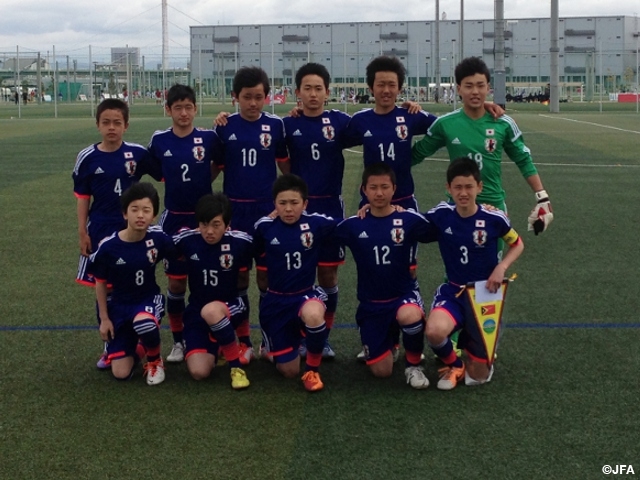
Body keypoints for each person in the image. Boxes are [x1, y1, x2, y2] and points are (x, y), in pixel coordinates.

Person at [412, 56, 553, 235]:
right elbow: (416, 154)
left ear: (488, 87)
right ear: (459, 89)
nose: (475, 91)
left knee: (494, 263)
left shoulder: (503, 123)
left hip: (494, 208)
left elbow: (523, 160)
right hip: (457, 207)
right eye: (469, 86)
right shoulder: (445, 124)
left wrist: (542, 197)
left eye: (480, 85)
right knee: (457, 262)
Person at [423, 158, 524, 390]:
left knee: (477, 378)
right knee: (434, 332)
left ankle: (478, 352)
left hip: (485, 295)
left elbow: (517, 244)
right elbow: (409, 223)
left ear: (479, 187)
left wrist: (502, 267)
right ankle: (455, 364)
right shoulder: (441, 214)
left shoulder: (494, 218)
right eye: (457, 187)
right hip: (454, 291)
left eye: (469, 186)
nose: (463, 193)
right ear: (448, 188)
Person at [212, 66, 290, 362]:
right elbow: (216, 167)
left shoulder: (276, 126)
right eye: (247, 97)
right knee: (238, 279)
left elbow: (285, 166)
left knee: (267, 279)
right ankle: (242, 339)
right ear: (235, 97)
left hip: (267, 213)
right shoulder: (224, 126)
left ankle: (269, 339)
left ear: (267, 97)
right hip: (235, 212)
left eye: (259, 97)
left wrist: (294, 199)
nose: (253, 103)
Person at [72, 98, 154, 369]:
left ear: (126, 126)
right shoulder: (87, 157)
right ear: (97, 125)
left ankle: (137, 339)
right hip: (100, 229)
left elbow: (163, 174)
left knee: (130, 286)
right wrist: (82, 232)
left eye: (117, 123)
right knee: (104, 288)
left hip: (131, 229)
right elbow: (83, 197)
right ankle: (109, 346)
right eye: (105, 122)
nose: (111, 128)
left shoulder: (138, 154)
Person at [334, 163, 431, 389]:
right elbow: (319, 231)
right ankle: (391, 343)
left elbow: (444, 225)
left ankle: (413, 365)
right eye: (374, 187)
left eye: (385, 187)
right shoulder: (353, 225)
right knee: (382, 372)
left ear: (394, 189)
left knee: (410, 315)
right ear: (364, 190)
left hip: (402, 296)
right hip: (371, 304)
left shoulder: (409, 220)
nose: (379, 193)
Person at [282, 62, 353, 359]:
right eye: (307, 89)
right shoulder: (286, 124)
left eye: (318, 89)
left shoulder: (341, 121)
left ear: (328, 92)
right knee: (298, 273)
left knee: (328, 275)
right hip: (298, 210)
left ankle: (322, 337)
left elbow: (380, 121)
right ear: (297, 92)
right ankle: (295, 333)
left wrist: (409, 105)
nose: (313, 94)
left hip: (330, 206)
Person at [147, 84, 222, 364]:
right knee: (177, 282)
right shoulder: (159, 140)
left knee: (209, 279)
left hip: (204, 219)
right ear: (168, 110)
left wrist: (205, 180)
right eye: (177, 107)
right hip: (174, 218)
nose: (183, 112)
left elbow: (220, 163)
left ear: (195, 109)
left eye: (188, 107)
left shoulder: (209, 138)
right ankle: (178, 342)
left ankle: (215, 336)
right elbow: (156, 171)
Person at [253, 174, 335, 392]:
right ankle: (275, 347)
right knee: (289, 372)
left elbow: (349, 228)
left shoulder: (316, 223)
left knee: (315, 314)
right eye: (282, 203)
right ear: (275, 204)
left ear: (305, 204)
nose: (288, 209)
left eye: (294, 203)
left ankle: (313, 370)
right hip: (276, 302)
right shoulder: (264, 227)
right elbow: (247, 250)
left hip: (304, 295)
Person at [90, 182, 177, 386]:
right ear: (124, 214)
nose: (140, 215)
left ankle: (155, 361)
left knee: (144, 323)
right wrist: (104, 319)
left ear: (153, 215)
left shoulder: (158, 239)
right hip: (119, 306)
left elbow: (179, 256)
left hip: (146, 300)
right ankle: (137, 347)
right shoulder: (109, 247)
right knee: (120, 373)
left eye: (146, 210)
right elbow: (100, 284)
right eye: (134, 209)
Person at [168, 193, 252, 388]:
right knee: (199, 372)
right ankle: (218, 342)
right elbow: (160, 246)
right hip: (197, 312)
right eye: (204, 224)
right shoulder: (187, 240)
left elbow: (268, 245)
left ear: (227, 224)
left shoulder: (241, 242)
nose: (209, 231)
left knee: (212, 311)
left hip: (230, 307)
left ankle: (236, 368)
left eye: (216, 224)